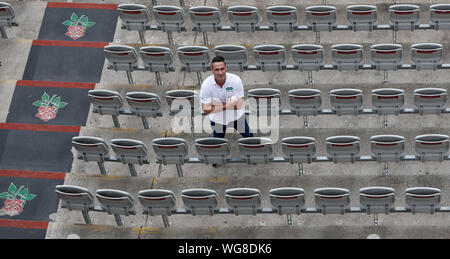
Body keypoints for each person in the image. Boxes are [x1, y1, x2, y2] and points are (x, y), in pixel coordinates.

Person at [200, 55, 254, 139]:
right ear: (212, 70)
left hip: (237, 117)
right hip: (217, 120)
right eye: (217, 70)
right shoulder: (206, 85)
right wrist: (228, 104)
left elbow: (239, 105)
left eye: (222, 69)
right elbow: (206, 110)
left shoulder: (236, 80)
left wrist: (216, 105)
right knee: (218, 144)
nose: (220, 72)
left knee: (250, 139)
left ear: (226, 68)